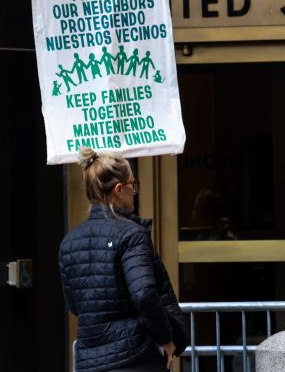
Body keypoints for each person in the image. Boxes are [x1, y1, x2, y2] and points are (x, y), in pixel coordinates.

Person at [59, 147, 188, 371]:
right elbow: (145, 294)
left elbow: (74, 305)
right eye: (132, 186)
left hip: (89, 361)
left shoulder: (69, 242)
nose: (134, 192)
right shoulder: (131, 235)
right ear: (119, 190)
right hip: (134, 357)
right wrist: (166, 339)